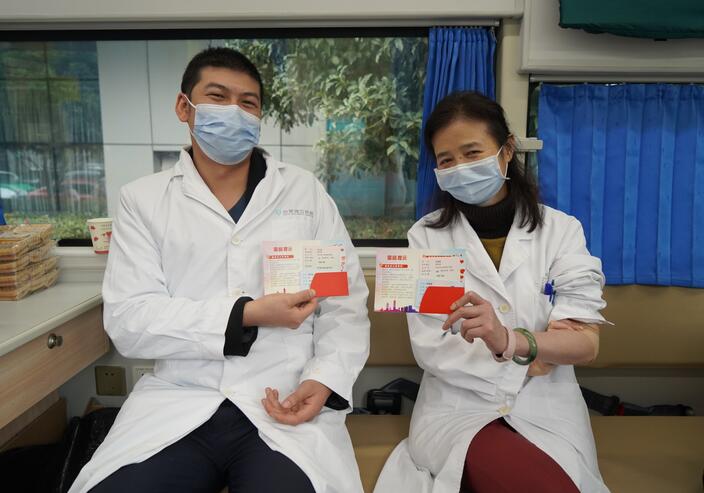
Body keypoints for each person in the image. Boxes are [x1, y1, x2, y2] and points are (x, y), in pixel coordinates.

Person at [69, 47, 370, 493]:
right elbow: (130, 320)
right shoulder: (144, 200)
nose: (234, 112)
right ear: (183, 107)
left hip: (282, 398)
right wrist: (244, 314)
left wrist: (322, 380)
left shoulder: (304, 193)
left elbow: (344, 306)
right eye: (217, 97)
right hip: (179, 401)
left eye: (248, 103)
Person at [374, 91, 610, 493]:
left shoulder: (562, 231)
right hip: (457, 409)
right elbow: (432, 347)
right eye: (446, 160)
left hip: (547, 409)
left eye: (472, 153)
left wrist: (509, 340)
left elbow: (585, 344)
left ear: (507, 150)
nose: (460, 168)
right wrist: (536, 354)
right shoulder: (425, 238)